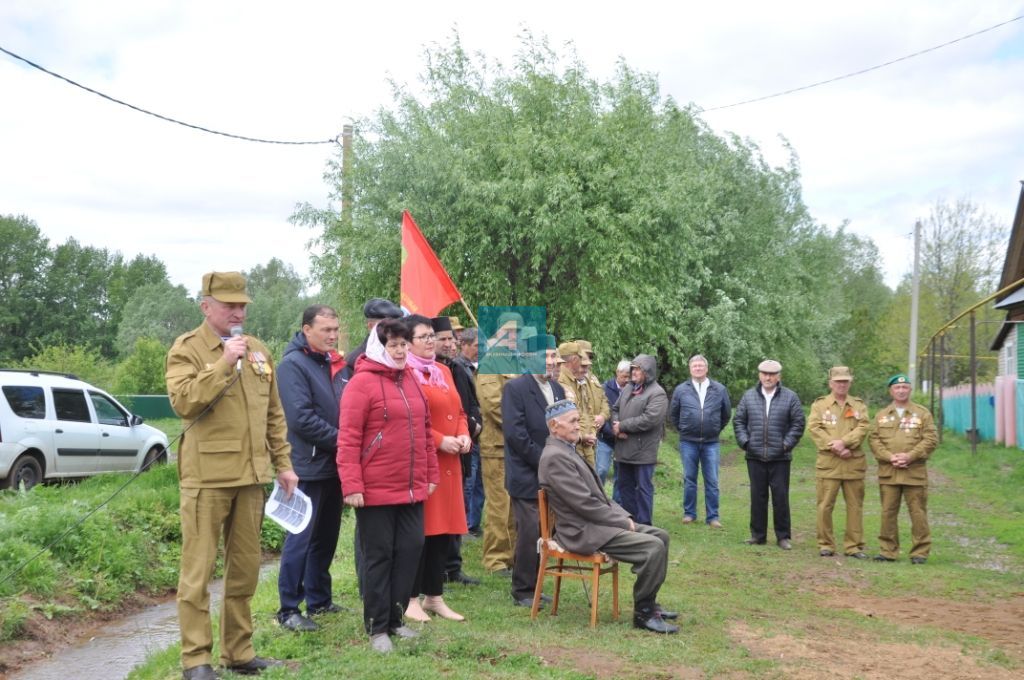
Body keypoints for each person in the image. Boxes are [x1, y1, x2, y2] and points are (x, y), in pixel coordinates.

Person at [165, 271, 297, 679]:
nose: (238, 312)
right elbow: (183, 402)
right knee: (198, 574)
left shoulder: (257, 351)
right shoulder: (187, 349)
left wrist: (284, 464)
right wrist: (223, 363)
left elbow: (273, 413)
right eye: (229, 305)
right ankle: (196, 660)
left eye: (242, 305)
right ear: (206, 307)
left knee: (244, 570)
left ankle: (238, 653)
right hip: (207, 478)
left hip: (252, 477)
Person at [336, 319, 439, 653]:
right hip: (375, 490)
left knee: (410, 552)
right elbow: (348, 438)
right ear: (379, 347)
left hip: (411, 488)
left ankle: (395, 620)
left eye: (403, 344)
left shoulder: (409, 378)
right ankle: (377, 627)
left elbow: (424, 430)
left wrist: (431, 474)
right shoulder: (360, 384)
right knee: (378, 557)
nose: (400, 351)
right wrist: (352, 483)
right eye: (394, 345)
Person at [538, 400, 678, 634]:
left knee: (661, 536)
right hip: (582, 531)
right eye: (572, 421)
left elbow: (599, 497)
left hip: (595, 524)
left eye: (577, 420)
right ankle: (643, 614)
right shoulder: (554, 456)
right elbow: (584, 504)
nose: (578, 426)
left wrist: (625, 517)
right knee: (652, 547)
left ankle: (650, 603)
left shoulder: (565, 449)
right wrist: (622, 522)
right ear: (554, 426)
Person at [275, 305, 348, 632]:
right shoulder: (293, 365)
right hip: (306, 465)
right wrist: (345, 440)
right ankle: (288, 608)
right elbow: (301, 419)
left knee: (327, 536)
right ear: (307, 330)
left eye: (335, 329)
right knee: (300, 538)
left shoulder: (331, 362)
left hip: (333, 464)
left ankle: (319, 599)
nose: (332, 335)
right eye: (325, 330)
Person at [401, 315, 472, 623]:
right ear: (408, 343)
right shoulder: (405, 373)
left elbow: (458, 410)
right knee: (422, 533)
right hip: (424, 462)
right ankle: (411, 598)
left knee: (443, 532)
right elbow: (409, 420)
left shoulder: (443, 370)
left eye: (433, 335)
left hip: (450, 464)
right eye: (424, 337)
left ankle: (435, 596)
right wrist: (441, 440)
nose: (431, 341)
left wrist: (464, 433)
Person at [501, 335, 566, 607]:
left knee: (545, 532)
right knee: (529, 532)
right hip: (527, 473)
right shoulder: (515, 388)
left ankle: (536, 584)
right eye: (544, 356)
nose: (550, 362)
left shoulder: (558, 389)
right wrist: (545, 462)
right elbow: (516, 435)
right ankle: (523, 590)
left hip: (553, 473)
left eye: (553, 357)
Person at [733, 359, 805, 550]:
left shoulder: (790, 397)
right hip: (755, 455)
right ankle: (758, 535)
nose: (768, 377)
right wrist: (746, 442)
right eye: (764, 373)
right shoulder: (748, 396)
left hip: (780, 456)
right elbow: (739, 421)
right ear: (759, 375)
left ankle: (783, 536)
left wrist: (786, 444)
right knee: (758, 497)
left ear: (778, 376)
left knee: (780, 497)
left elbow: (798, 423)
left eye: (772, 374)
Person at [868, 374, 938, 564]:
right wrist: (890, 457)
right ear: (891, 391)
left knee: (918, 513)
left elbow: (931, 439)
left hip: (913, 472)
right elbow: (874, 440)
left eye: (905, 387)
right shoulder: (881, 415)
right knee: (887, 512)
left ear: (910, 390)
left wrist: (910, 456)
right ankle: (888, 551)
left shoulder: (922, 414)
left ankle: (920, 552)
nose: (901, 391)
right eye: (897, 388)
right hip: (889, 472)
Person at [433, 317, 482, 587]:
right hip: (438, 451)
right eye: (444, 339)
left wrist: (473, 427)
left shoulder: (457, 370)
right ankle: (437, 568)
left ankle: (454, 565)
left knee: (457, 508)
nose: (449, 344)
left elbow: (469, 405)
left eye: (451, 339)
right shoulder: (430, 371)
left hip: (462, 445)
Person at [807, 366, 870, 559]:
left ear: (850, 382)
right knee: (825, 505)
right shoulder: (820, 405)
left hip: (852, 463)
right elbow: (814, 427)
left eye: (845, 381)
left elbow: (864, 426)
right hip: (829, 463)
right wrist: (834, 446)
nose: (842, 384)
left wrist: (845, 443)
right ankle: (825, 544)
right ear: (831, 383)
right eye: (838, 381)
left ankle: (853, 547)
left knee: (855, 506)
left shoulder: (859, 406)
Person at [669, 355, 732, 528]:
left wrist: (714, 428)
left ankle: (713, 516)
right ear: (690, 369)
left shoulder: (719, 389)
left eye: (701, 366)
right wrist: (684, 429)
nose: (698, 368)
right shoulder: (681, 390)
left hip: (711, 442)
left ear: (707, 368)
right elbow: (673, 414)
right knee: (690, 478)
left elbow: (726, 414)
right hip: (688, 441)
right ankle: (689, 513)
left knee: (712, 479)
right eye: (694, 366)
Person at [612, 354, 668, 526]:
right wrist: (615, 425)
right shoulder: (629, 388)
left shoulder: (658, 393)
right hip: (623, 448)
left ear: (648, 372)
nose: (634, 372)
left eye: (638, 369)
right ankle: (631, 522)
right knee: (624, 487)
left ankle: (644, 524)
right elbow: (614, 408)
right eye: (633, 368)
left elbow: (650, 419)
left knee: (643, 489)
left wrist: (623, 426)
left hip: (643, 451)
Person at [477, 367, 517, 575]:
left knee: (514, 505)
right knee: (500, 506)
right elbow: (492, 405)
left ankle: (511, 555)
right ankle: (495, 559)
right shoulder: (490, 365)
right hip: (497, 446)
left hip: (515, 445)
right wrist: (521, 423)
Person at [556, 341, 606, 470]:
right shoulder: (561, 381)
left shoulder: (579, 380)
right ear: (574, 360)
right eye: (581, 359)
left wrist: (592, 432)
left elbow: (587, 411)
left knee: (590, 483)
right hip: (574, 443)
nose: (584, 367)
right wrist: (583, 437)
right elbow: (571, 416)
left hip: (586, 441)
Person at [454, 327, 484, 537]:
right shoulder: (457, 367)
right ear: (463, 345)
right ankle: (462, 523)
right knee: (469, 480)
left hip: (485, 433)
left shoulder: (485, 367)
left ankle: (474, 523)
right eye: (476, 346)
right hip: (468, 432)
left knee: (480, 482)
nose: (480, 350)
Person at [598, 360, 631, 497]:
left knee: (620, 475)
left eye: (629, 377)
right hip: (605, 438)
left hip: (623, 441)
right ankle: (597, 500)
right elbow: (601, 412)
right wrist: (611, 431)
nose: (627, 380)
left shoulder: (633, 390)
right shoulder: (604, 388)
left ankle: (617, 505)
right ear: (617, 373)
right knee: (601, 470)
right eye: (624, 376)